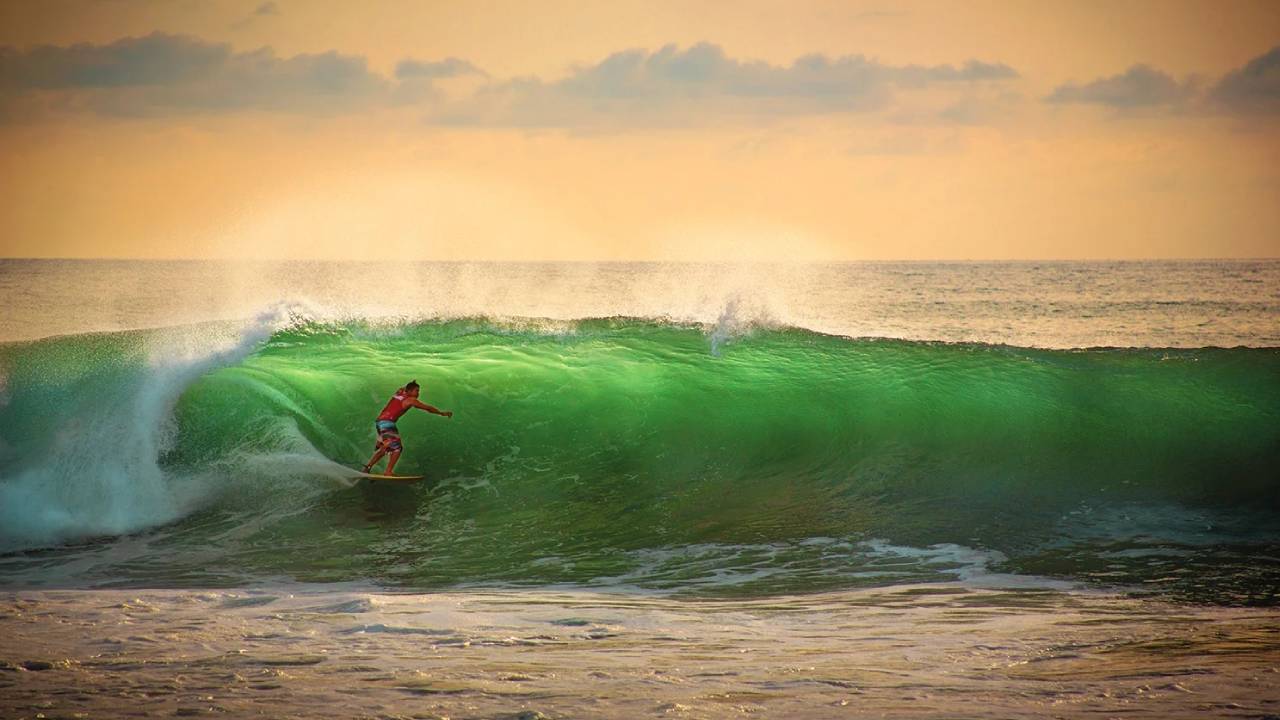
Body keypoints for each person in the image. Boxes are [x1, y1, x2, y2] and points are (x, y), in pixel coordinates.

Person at [362, 380, 452, 476]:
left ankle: (367, 467)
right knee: (397, 448)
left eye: (418, 391)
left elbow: (403, 387)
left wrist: (411, 383)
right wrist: (441, 413)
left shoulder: (399, 393)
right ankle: (388, 471)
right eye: (416, 390)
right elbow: (428, 408)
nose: (418, 393)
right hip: (387, 423)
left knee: (386, 448)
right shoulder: (411, 400)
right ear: (409, 391)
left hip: (380, 422)